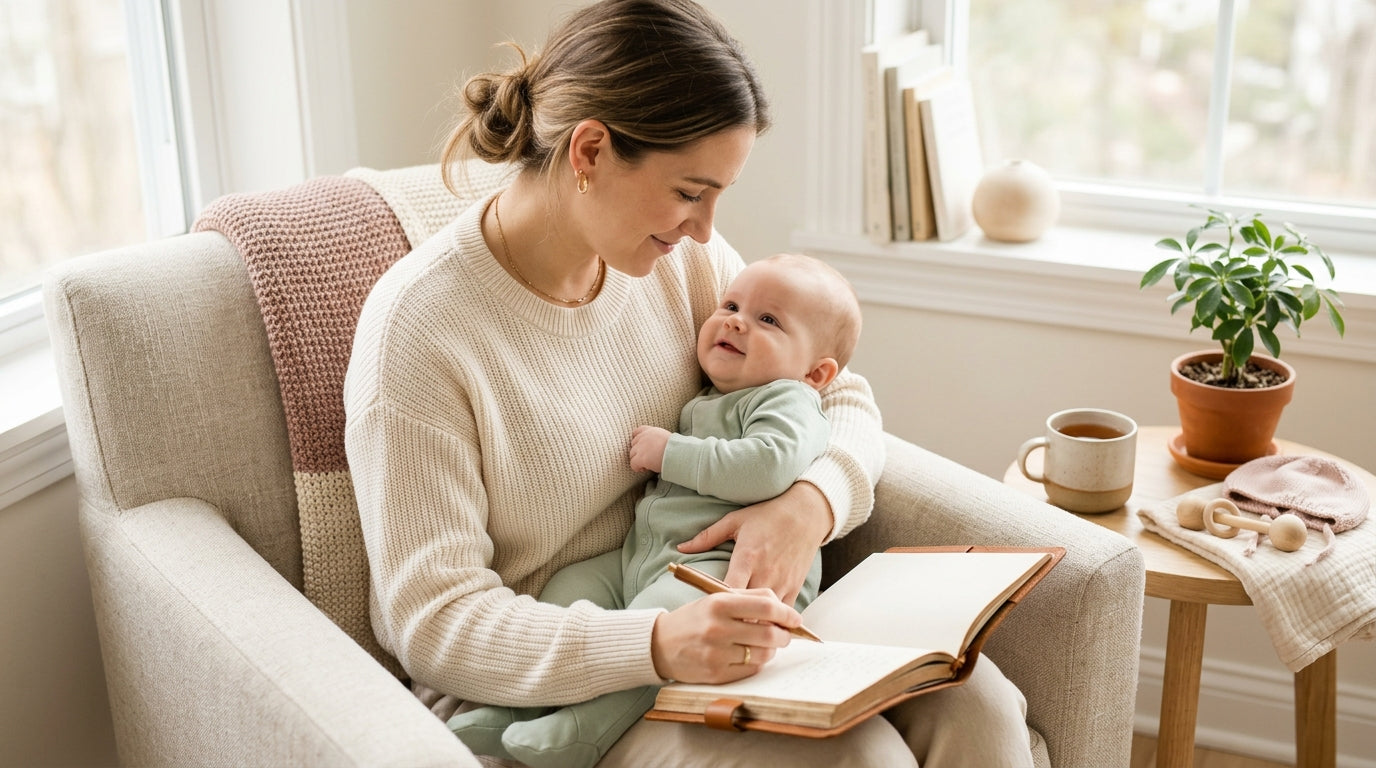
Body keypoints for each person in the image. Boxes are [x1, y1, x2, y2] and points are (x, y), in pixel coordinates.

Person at [343, 0, 1039, 765]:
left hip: (708, 603)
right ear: (591, 152)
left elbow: (835, 392)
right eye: (689, 192)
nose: (706, 229)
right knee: (856, 758)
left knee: (981, 706)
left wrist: (810, 504)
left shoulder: (680, 265)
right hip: (556, 684)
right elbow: (435, 622)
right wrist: (655, 640)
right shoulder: (421, 332)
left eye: (718, 197)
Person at [447, 253, 860, 767]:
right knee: (571, 588)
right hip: (646, 556)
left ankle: (583, 732)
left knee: (662, 614)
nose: (735, 320)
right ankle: (519, 709)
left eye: (768, 320)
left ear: (816, 373)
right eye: (730, 305)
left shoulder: (787, 399)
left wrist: (672, 453)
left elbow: (769, 466)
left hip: (722, 569)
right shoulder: (721, 393)